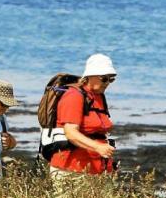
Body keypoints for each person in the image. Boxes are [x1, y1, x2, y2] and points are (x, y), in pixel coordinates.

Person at [49, 53, 117, 182]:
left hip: (98, 169)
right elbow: (71, 133)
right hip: (71, 171)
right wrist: (97, 147)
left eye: (111, 79)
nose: (108, 83)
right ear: (90, 76)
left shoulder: (99, 96)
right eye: (104, 78)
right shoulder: (74, 96)